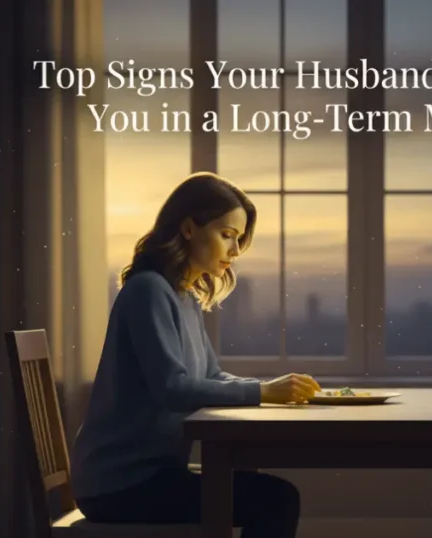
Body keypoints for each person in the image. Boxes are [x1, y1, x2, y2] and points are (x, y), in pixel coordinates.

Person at [70, 172, 321, 538]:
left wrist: (271, 389)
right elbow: (173, 389)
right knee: (276, 499)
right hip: (118, 485)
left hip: (149, 475)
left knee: (268, 493)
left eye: (238, 240)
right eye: (228, 236)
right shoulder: (148, 291)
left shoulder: (182, 295)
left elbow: (211, 377)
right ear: (189, 228)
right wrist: (263, 392)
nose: (235, 252)